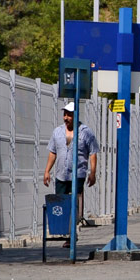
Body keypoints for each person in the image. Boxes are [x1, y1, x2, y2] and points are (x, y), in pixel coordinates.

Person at [42, 101, 100, 235]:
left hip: (77, 174)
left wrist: (93, 173)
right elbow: (53, 152)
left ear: (75, 115)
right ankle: (63, 230)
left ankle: (72, 234)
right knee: (60, 203)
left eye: (69, 115)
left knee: (74, 204)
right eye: (65, 114)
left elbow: (92, 153)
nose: (66, 118)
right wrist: (47, 171)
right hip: (61, 174)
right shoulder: (57, 131)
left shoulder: (85, 132)